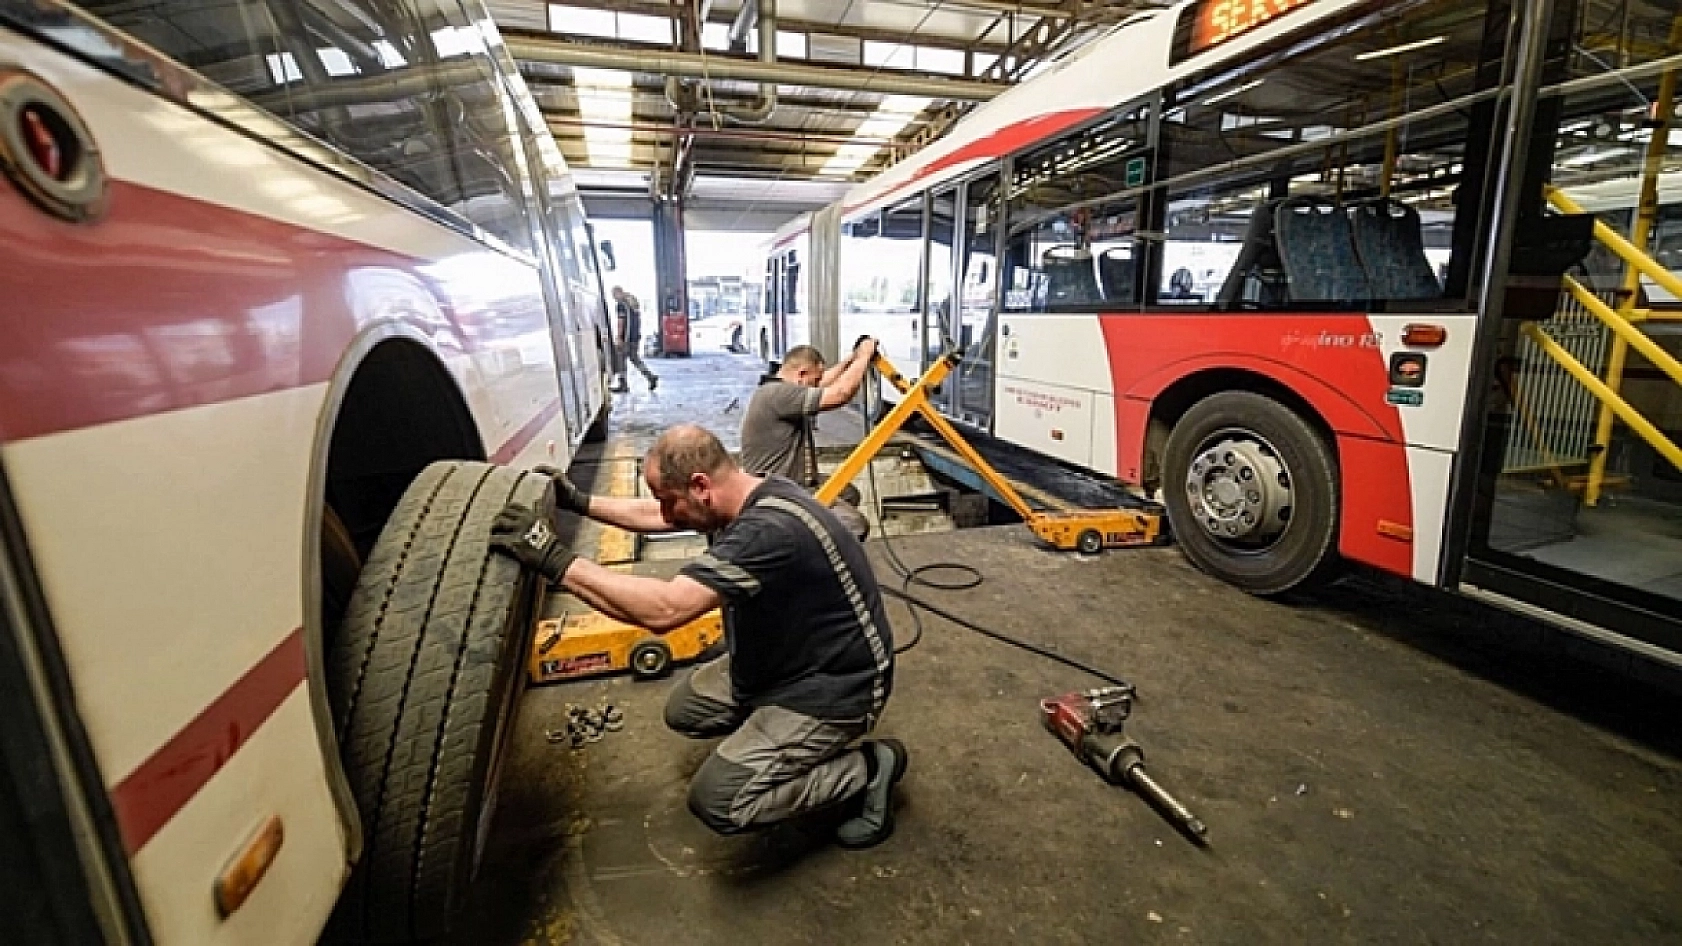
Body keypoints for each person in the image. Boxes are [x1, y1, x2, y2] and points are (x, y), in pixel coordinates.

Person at [490, 425, 906, 848]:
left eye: (669, 499)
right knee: (687, 710)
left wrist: (553, 558)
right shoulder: (742, 494)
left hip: (837, 686)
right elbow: (657, 515)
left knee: (720, 800)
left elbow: (665, 610)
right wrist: (579, 502)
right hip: (784, 660)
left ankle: (868, 768)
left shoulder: (767, 531)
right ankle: (774, 743)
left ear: (701, 486)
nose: (666, 514)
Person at [739, 337, 877, 539]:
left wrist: (852, 359)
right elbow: (841, 393)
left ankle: (816, 540)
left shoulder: (778, 388)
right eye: (815, 380)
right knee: (854, 525)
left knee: (848, 493)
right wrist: (864, 357)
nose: (817, 385)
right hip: (778, 492)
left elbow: (824, 383)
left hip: (795, 483)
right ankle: (811, 551)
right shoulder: (778, 394)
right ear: (801, 374)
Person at [610, 286, 658, 393]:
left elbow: (621, 322)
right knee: (634, 359)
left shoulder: (621, 305)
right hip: (635, 337)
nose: (613, 297)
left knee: (620, 359)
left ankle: (623, 384)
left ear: (619, 293)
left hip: (626, 338)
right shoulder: (632, 303)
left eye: (614, 294)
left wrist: (619, 337)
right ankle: (650, 377)